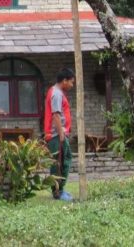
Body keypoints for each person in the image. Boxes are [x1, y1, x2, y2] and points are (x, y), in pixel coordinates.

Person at [44, 67, 75, 201]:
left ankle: (60, 190)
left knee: (63, 160)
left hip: (58, 134)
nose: (72, 85)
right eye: (71, 82)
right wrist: (61, 133)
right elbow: (56, 115)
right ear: (64, 80)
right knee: (59, 163)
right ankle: (58, 192)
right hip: (56, 135)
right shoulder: (56, 93)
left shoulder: (56, 92)